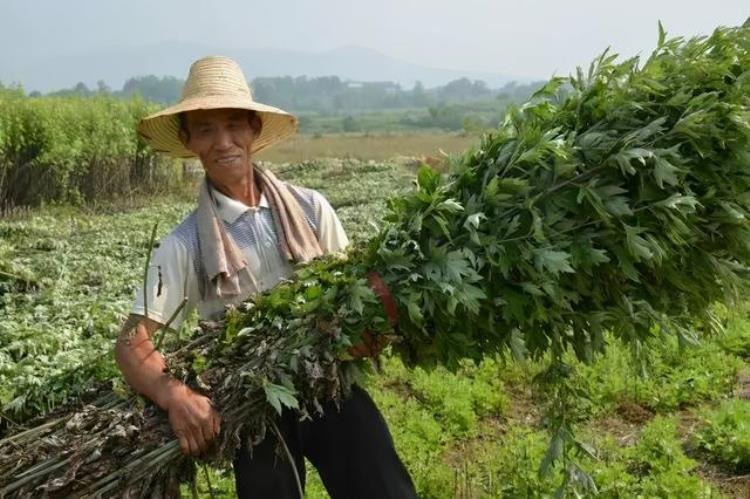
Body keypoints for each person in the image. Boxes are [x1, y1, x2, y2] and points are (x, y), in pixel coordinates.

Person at [114, 55, 416, 499]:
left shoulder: (311, 210)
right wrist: (175, 396)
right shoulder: (185, 245)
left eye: (235, 124)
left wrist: (369, 332)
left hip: (330, 385)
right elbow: (129, 343)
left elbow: (360, 297)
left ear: (254, 128)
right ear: (189, 140)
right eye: (206, 130)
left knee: (384, 489)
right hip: (254, 407)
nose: (223, 142)